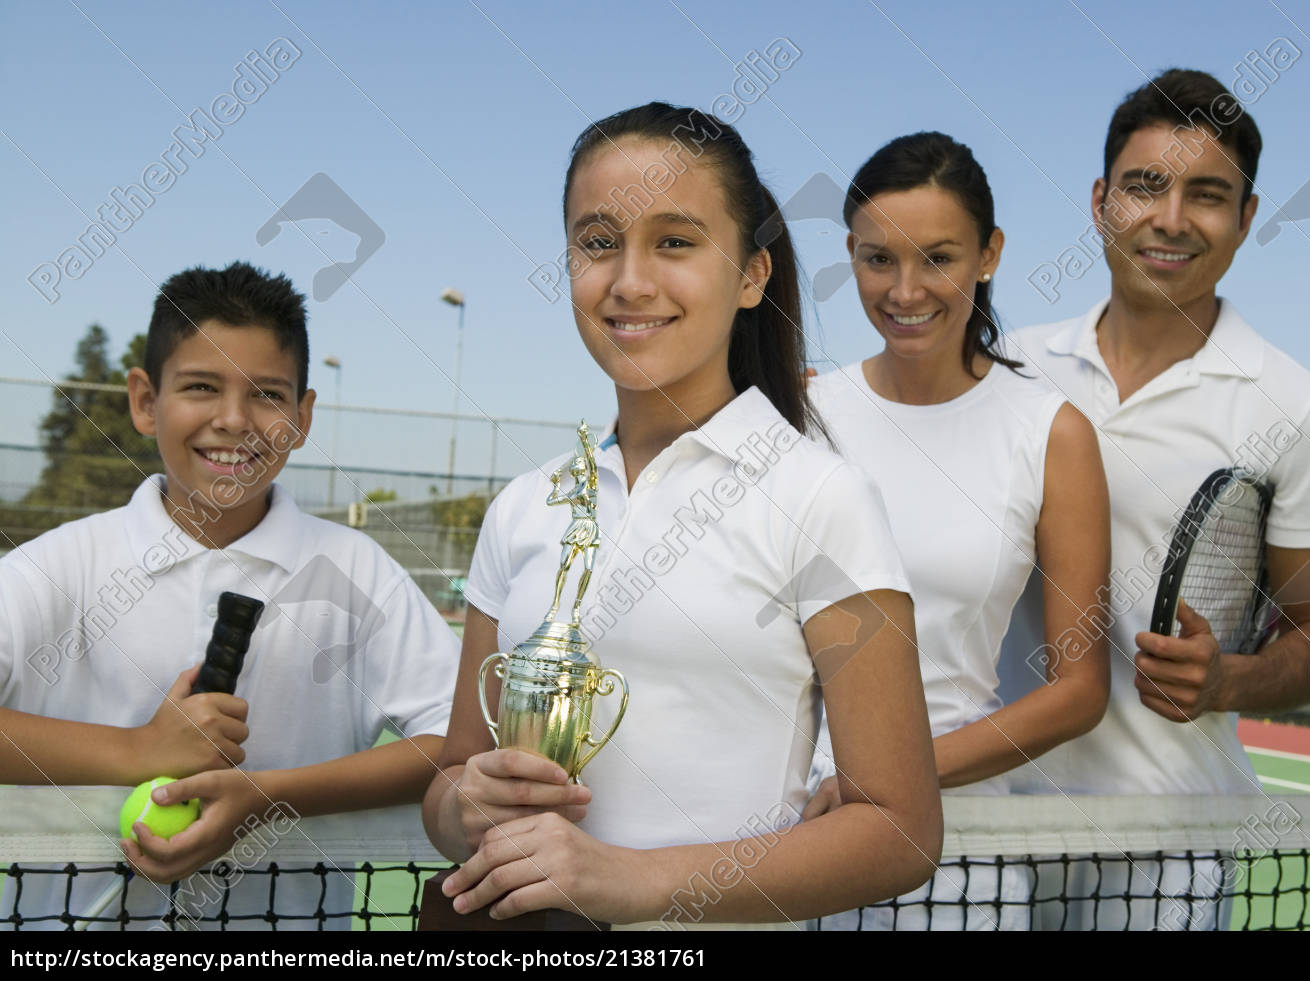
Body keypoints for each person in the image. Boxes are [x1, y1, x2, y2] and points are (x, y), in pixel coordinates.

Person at [421, 102, 942, 929]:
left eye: (674, 241)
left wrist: (635, 879)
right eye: (598, 242)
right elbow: (450, 777)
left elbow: (900, 831)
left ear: (751, 275)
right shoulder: (523, 506)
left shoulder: (822, 497)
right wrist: (463, 807)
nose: (629, 281)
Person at [999, 69, 1310, 928]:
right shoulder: (1008, 371)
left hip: (1169, 842)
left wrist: (1228, 677)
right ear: (1100, 201)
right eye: (1144, 185)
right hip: (997, 817)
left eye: (1207, 194)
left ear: (1246, 217)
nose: (1169, 219)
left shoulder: (1300, 411)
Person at [0, 261, 461, 929]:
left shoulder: (360, 571)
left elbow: (457, 741)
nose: (234, 419)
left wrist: (266, 798)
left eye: (268, 395)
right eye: (200, 386)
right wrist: (137, 752)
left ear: (302, 417)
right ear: (144, 400)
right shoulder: (54, 567)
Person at [799, 132, 1111, 930]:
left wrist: (890, 776)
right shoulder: (798, 413)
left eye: (937, 257)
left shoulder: (1052, 433)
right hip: (781, 836)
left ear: (989, 254)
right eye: (877, 260)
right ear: (850, 254)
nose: (906, 291)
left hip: (956, 855)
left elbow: (1079, 690)